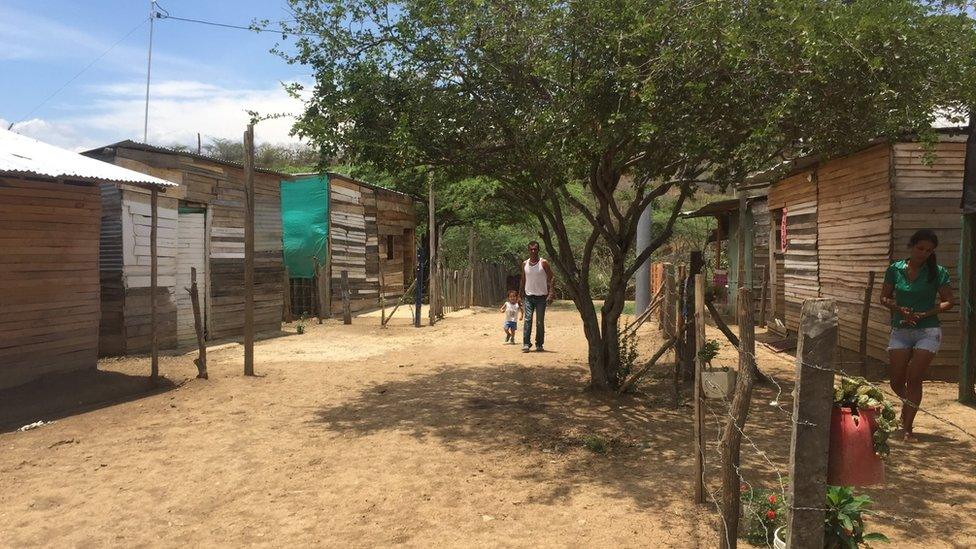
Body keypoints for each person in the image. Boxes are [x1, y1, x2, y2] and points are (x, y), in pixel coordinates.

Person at [880, 229, 953, 442]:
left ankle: (908, 428)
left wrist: (927, 313)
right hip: (901, 328)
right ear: (911, 246)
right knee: (896, 380)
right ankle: (907, 403)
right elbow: (883, 297)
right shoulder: (895, 270)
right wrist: (898, 308)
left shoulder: (937, 272)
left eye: (928, 251)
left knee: (914, 378)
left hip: (928, 330)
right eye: (920, 248)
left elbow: (949, 301)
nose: (923, 253)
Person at [519, 241, 555, 352]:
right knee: (528, 319)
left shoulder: (543, 263)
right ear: (528, 250)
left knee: (539, 321)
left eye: (535, 249)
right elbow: (523, 279)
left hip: (541, 297)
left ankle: (539, 344)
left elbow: (552, 277)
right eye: (531, 249)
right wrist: (520, 295)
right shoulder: (525, 264)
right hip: (528, 296)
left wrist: (551, 293)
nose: (533, 251)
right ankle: (526, 343)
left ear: (538, 250)